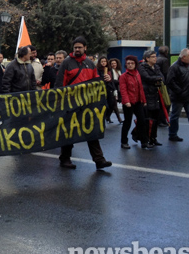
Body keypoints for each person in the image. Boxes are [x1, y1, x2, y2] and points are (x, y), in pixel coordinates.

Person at [55, 37, 112, 170]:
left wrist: (106, 80)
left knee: (91, 130)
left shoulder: (90, 64)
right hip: (71, 104)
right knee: (69, 132)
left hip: (87, 104)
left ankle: (99, 160)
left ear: (85, 48)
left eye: (80, 47)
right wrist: (60, 103)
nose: (77, 49)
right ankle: (65, 158)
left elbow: (95, 82)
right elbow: (59, 84)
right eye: (75, 47)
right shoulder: (66, 63)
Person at [119, 56, 148, 149]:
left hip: (138, 101)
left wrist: (144, 100)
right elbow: (123, 90)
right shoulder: (123, 76)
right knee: (127, 122)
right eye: (128, 63)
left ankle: (144, 141)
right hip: (129, 103)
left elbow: (140, 89)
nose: (130, 65)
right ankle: (124, 141)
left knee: (142, 121)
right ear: (126, 65)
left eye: (132, 63)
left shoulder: (137, 74)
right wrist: (127, 101)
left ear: (135, 64)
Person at [138, 50, 165, 146]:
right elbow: (146, 78)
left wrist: (156, 79)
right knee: (147, 119)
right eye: (153, 56)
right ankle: (145, 139)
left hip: (155, 95)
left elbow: (162, 78)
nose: (155, 58)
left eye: (155, 56)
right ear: (147, 58)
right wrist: (156, 79)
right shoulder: (142, 67)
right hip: (147, 95)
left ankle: (153, 138)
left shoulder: (157, 67)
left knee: (155, 119)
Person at [97, 57, 122, 124]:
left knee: (113, 104)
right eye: (102, 61)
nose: (103, 63)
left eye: (105, 61)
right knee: (106, 105)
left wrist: (114, 88)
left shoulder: (109, 70)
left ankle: (108, 117)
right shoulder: (98, 70)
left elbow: (112, 80)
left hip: (110, 89)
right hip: (102, 89)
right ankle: (106, 118)